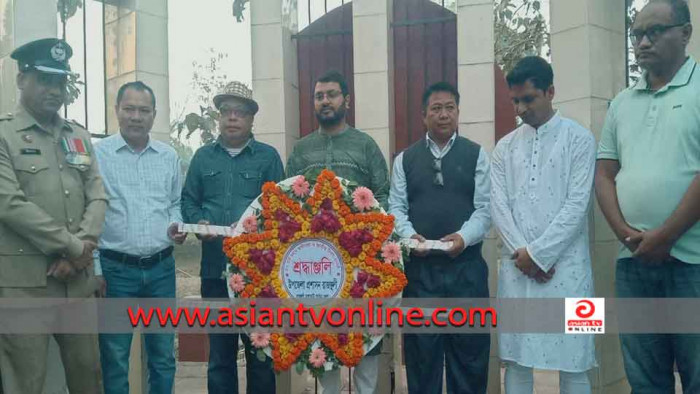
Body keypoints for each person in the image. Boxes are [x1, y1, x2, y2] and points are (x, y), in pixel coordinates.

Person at [595, 0, 699, 391]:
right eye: (637, 34)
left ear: (685, 33)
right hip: (635, 262)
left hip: (692, 264)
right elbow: (605, 175)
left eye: (654, 32)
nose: (642, 42)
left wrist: (666, 235)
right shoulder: (622, 103)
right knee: (645, 380)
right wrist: (625, 233)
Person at [0, 38, 106, 394]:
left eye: (60, 81)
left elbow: (97, 193)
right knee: (25, 381)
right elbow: (10, 204)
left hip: (76, 283)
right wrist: (75, 247)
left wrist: (80, 252)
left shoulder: (77, 135)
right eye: (44, 79)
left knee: (88, 376)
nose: (54, 90)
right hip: (24, 286)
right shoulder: (3, 135)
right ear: (21, 79)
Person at [491, 56, 596, 394]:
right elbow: (499, 206)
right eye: (515, 101)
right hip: (518, 269)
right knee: (517, 360)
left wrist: (539, 255)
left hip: (570, 268)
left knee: (576, 360)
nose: (520, 108)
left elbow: (577, 205)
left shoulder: (580, 139)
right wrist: (525, 257)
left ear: (550, 91)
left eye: (529, 99)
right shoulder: (504, 147)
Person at [286, 70, 390, 394]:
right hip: (317, 263)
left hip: (362, 259)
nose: (325, 101)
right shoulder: (302, 150)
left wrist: (369, 234)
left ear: (347, 100)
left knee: (366, 335)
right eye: (319, 96)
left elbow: (384, 195)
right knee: (324, 337)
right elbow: (287, 199)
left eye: (331, 94)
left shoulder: (365, 145)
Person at [388, 81, 491, 394]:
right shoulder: (405, 159)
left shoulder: (476, 155)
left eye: (450, 108)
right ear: (424, 115)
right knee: (422, 356)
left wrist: (462, 237)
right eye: (436, 108)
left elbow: (486, 210)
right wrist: (408, 238)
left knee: (470, 356)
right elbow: (396, 209)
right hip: (421, 275)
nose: (443, 114)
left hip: (467, 271)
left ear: (458, 112)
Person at [182, 81, 283, 394]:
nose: (232, 118)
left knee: (260, 353)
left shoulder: (267, 158)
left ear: (251, 119)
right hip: (215, 270)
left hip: (258, 275)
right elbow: (188, 201)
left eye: (240, 112)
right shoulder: (202, 158)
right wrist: (198, 222)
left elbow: (280, 208)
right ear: (219, 117)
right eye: (226, 111)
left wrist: (258, 235)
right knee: (221, 355)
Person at [95, 81, 186, 394]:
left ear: (154, 115)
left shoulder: (167, 156)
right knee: (115, 356)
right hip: (115, 271)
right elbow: (88, 211)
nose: (136, 116)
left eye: (144, 110)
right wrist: (96, 268)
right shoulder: (99, 155)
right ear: (117, 111)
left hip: (161, 270)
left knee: (162, 356)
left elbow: (176, 202)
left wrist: (176, 224)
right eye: (129, 109)